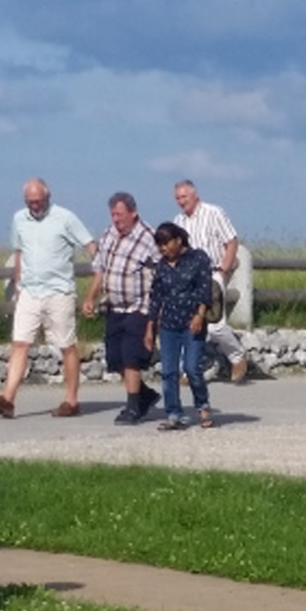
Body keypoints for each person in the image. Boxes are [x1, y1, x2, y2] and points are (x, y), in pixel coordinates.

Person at [0, 178, 95, 419]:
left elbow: (90, 245)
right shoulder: (19, 219)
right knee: (20, 343)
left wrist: (101, 274)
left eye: (38, 201)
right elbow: (19, 252)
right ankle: (7, 399)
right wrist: (18, 284)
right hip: (29, 291)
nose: (34, 206)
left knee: (66, 345)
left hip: (59, 291)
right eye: (30, 202)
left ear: (48, 197)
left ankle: (71, 400)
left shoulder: (65, 218)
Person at [83, 191, 162, 424]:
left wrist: (157, 310)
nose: (116, 220)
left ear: (133, 213)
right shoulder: (109, 234)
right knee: (115, 359)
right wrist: (90, 297)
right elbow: (100, 269)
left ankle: (133, 407)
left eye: (120, 215)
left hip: (139, 307)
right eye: (113, 215)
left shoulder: (149, 237)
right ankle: (145, 395)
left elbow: (162, 272)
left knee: (131, 357)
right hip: (113, 306)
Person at [172, 180, 248, 382]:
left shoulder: (214, 213)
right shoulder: (178, 221)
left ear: (194, 195)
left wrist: (223, 270)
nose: (181, 201)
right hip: (189, 278)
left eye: (184, 197)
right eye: (178, 198)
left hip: (213, 273)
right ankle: (189, 370)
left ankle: (237, 357)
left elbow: (231, 241)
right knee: (190, 324)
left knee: (214, 325)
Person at [144, 222, 215, 429]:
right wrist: (150, 327)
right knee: (168, 372)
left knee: (192, 369)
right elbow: (156, 297)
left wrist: (199, 315)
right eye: (159, 245)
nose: (163, 249)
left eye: (166, 243)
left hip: (192, 322)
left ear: (178, 240)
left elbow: (204, 289)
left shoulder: (198, 259)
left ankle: (202, 405)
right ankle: (173, 413)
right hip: (169, 325)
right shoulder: (162, 266)